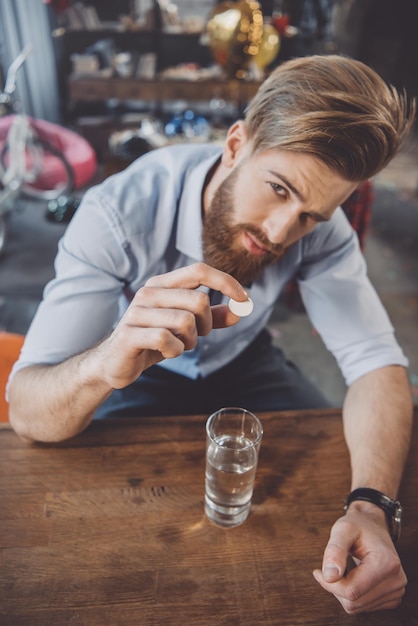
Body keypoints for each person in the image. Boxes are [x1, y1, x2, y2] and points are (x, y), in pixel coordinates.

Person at [7, 54, 415, 614]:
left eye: (309, 217)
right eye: (277, 188)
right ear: (235, 144)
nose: (280, 232)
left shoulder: (322, 228)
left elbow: (376, 364)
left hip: (250, 364)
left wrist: (372, 505)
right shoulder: (118, 213)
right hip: (138, 375)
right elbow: (26, 409)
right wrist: (105, 362)